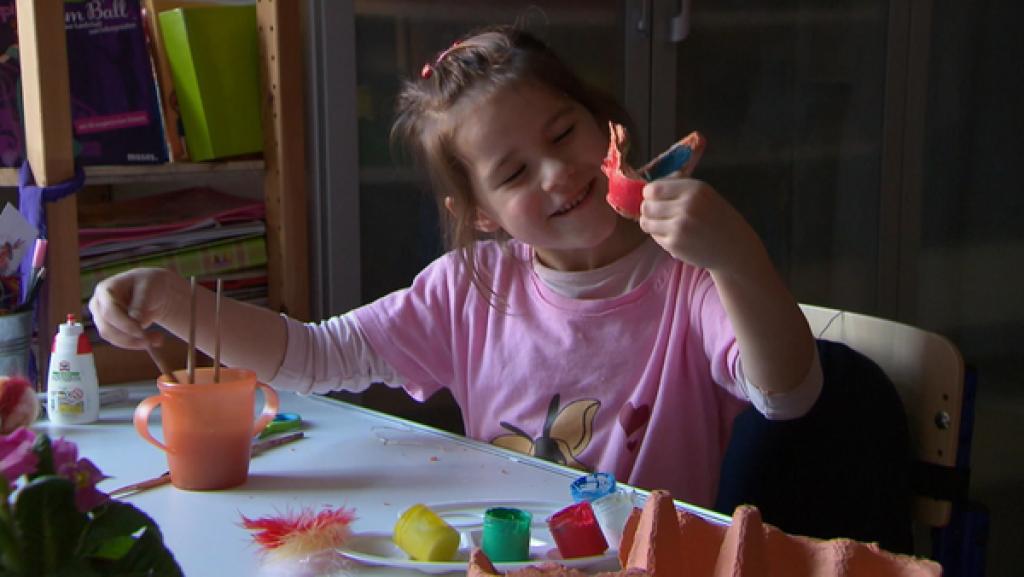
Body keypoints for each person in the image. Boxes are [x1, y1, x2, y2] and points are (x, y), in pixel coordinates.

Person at [89, 25, 821, 508]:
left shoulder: (691, 278)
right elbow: (312, 356)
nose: (556, 173)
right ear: (481, 214)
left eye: (564, 132)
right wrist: (174, 300)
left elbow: (788, 395)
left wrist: (736, 256)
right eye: (513, 173)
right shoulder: (469, 289)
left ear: (609, 128)